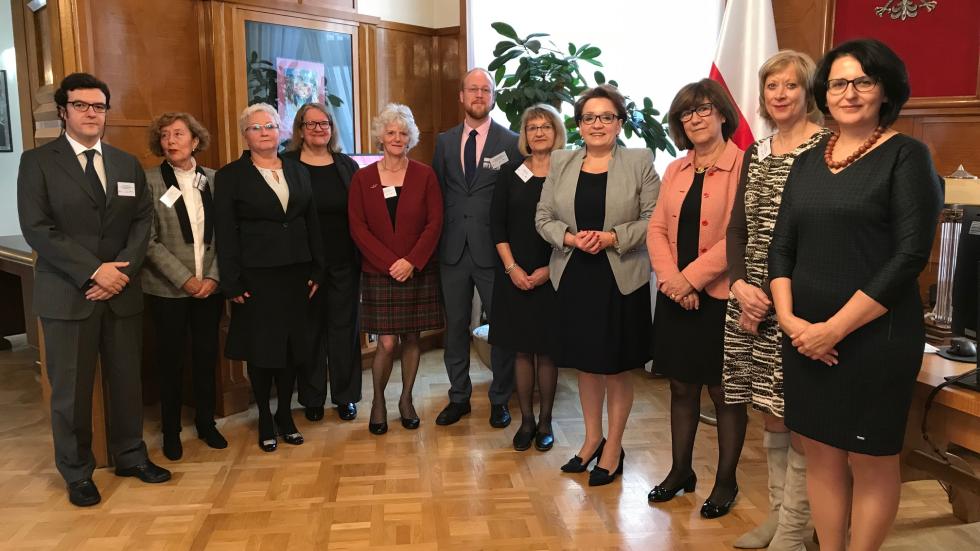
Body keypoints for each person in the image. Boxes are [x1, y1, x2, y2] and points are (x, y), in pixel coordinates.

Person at [768, 38, 942, 551]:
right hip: (803, 338)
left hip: (873, 339)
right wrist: (791, 322)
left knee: (871, 460)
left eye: (863, 82)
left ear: (885, 90)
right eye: (839, 82)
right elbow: (781, 248)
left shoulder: (907, 156)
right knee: (819, 452)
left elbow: (910, 257)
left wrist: (833, 330)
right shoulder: (806, 162)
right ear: (825, 91)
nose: (849, 93)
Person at [17, 72, 171, 507]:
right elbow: (38, 229)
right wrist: (93, 272)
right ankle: (77, 471)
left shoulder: (125, 164)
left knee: (127, 383)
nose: (91, 113)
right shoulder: (39, 162)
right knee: (69, 390)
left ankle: (130, 455)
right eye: (81, 105)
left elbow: (143, 221)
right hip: (68, 294)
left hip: (122, 292)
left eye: (98, 106)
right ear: (64, 111)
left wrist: (118, 272)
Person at [723, 50, 830, 550]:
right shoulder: (756, 151)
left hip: (799, 302)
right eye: (771, 87)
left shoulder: (829, 149)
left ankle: (794, 530)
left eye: (790, 85)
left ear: (808, 92)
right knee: (769, 407)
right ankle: (778, 513)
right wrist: (742, 286)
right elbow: (738, 228)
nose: (780, 95)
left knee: (800, 411)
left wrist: (775, 295)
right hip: (751, 304)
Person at [535, 84, 660, 486]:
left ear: (620, 123)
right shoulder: (562, 161)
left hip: (620, 277)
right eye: (589, 117)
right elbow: (543, 216)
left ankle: (613, 446)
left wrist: (612, 237)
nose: (597, 124)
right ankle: (592, 439)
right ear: (579, 124)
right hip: (574, 275)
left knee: (616, 366)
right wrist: (569, 238)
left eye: (607, 117)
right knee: (587, 365)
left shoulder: (640, 160)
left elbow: (654, 219)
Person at [646, 79, 745, 518]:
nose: (695, 118)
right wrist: (672, 282)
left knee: (725, 394)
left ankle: (726, 482)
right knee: (681, 387)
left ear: (723, 112)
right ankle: (681, 471)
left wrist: (691, 281)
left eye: (703, 109)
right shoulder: (675, 169)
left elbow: (737, 238)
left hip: (721, 297)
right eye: (686, 113)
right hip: (675, 296)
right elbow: (656, 231)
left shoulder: (745, 166)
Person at [214, 103, 325, 452]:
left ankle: (284, 413)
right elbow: (225, 232)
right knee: (263, 350)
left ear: (282, 131)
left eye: (271, 126)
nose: (264, 132)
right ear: (245, 135)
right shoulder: (231, 176)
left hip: (297, 274)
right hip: (256, 277)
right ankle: (263, 413)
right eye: (256, 127)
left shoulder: (297, 170)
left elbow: (312, 222)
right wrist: (231, 281)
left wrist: (317, 268)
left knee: (293, 349)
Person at [431, 68, 521, 428]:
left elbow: (517, 198)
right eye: (473, 89)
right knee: (454, 327)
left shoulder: (512, 141)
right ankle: (459, 397)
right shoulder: (444, 141)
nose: (479, 95)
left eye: (486, 89)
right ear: (461, 95)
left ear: (493, 96)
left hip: (495, 251)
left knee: (501, 327)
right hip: (452, 251)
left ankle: (500, 398)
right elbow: (437, 194)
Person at [348, 103, 444, 434]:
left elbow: (434, 223)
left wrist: (411, 262)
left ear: (411, 137)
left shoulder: (425, 174)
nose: (397, 138)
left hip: (416, 270)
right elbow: (358, 228)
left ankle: (406, 400)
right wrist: (390, 263)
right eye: (390, 132)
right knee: (387, 343)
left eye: (403, 133)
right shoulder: (362, 178)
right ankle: (378, 402)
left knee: (412, 338)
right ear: (380, 135)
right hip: (379, 272)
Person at [142, 112, 227, 461]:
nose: (171, 141)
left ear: (195, 140)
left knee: (207, 357)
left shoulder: (214, 180)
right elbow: (147, 241)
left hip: (210, 287)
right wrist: (185, 279)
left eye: (178, 134)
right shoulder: (149, 182)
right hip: (168, 290)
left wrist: (212, 278)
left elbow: (227, 236)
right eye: (165, 135)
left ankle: (206, 423)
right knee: (170, 360)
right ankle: (171, 431)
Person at [489, 103, 565, 452]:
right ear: (524, 135)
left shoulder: (567, 173)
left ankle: (546, 420)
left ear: (556, 132)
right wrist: (512, 269)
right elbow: (497, 225)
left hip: (555, 272)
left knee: (548, 352)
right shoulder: (510, 173)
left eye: (545, 126)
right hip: (514, 274)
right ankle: (526, 422)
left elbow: (576, 227)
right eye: (532, 126)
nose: (538, 132)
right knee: (521, 351)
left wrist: (548, 270)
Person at [282, 103, 362, 423]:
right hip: (304, 264)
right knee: (309, 332)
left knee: (344, 331)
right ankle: (312, 397)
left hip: (344, 261)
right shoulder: (286, 165)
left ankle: (345, 396)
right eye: (311, 124)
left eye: (324, 123)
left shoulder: (346, 165)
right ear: (300, 129)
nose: (318, 129)